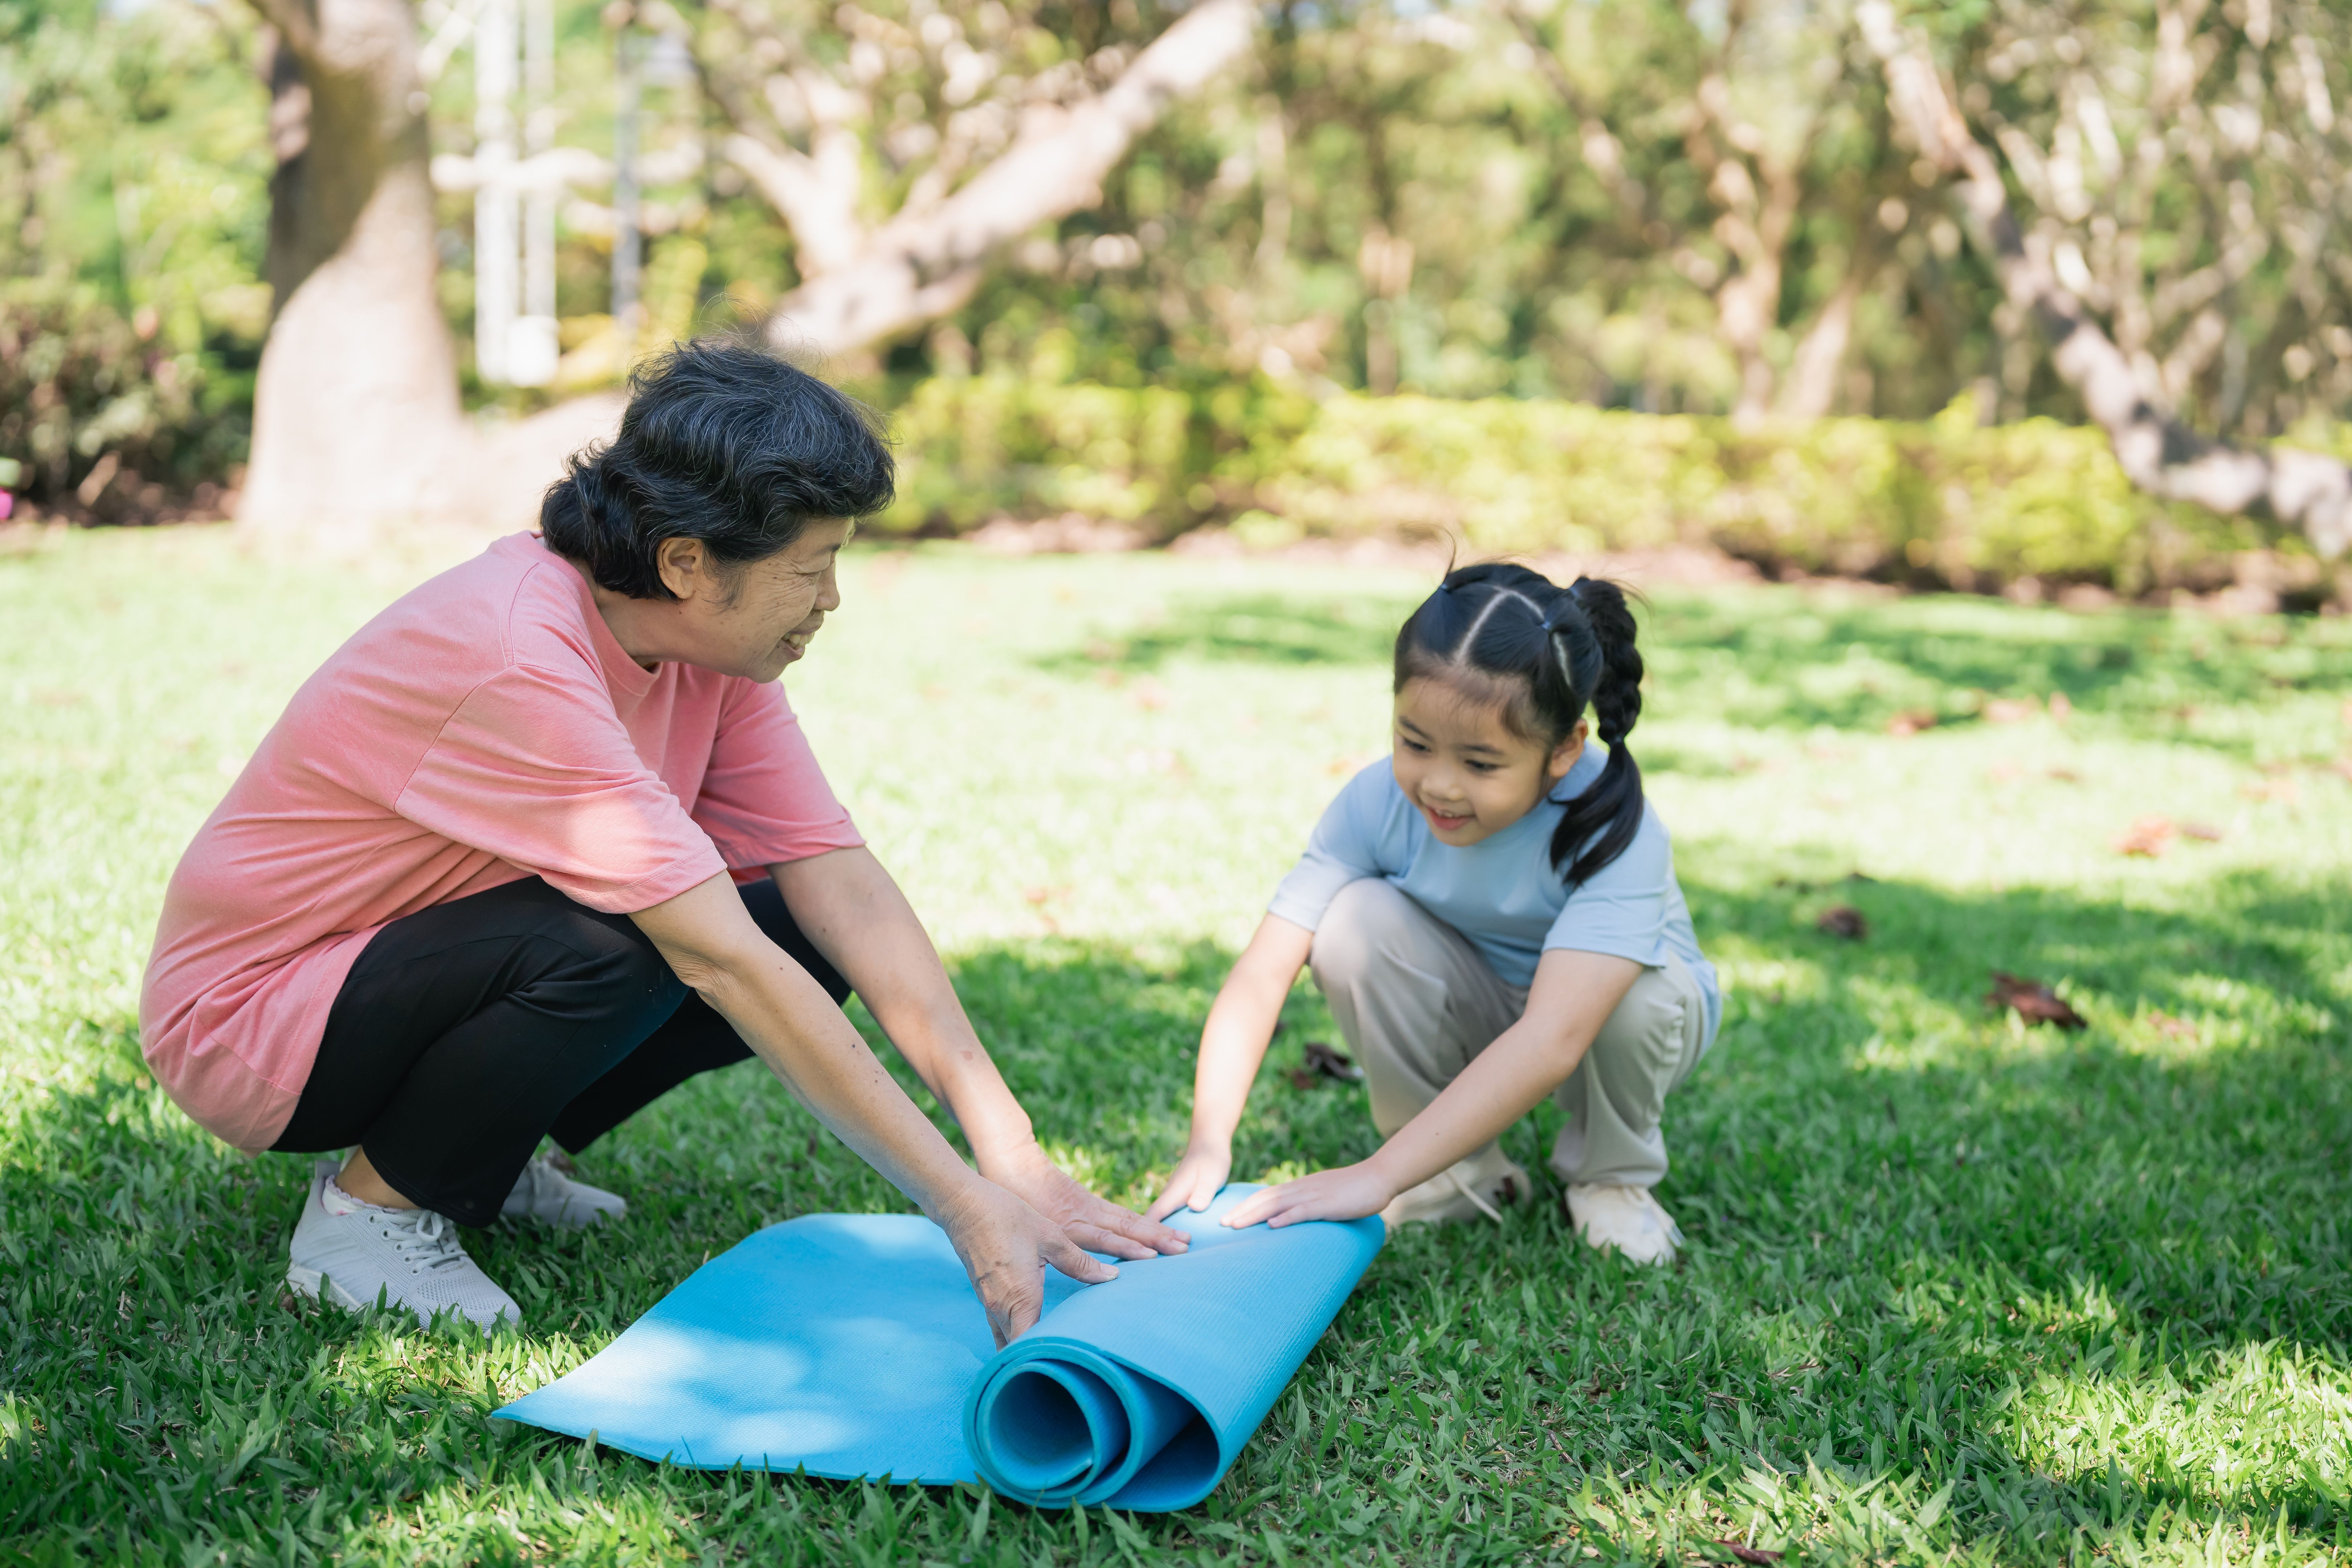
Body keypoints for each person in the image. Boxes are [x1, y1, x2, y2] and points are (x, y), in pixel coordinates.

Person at [141, 339, 1183, 1338]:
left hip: (405, 973)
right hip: (253, 1024)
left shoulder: (711, 653)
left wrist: (1013, 1154)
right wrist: (962, 1205)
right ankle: (368, 1216)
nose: (830, 600)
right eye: (810, 568)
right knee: (641, 939)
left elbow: (842, 884)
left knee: (797, 934)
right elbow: (717, 957)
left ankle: (477, 1154)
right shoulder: (519, 653)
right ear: (686, 562)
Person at [1147, 563, 1718, 1263]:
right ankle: (1457, 1175)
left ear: (1565, 749)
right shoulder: (1375, 803)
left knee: (1639, 992)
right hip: (1482, 1004)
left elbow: (1553, 1038)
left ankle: (1610, 1178)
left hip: (1606, 1024)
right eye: (1415, 744)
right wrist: (1208, 1140)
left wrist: (1377, 1175)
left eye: (1481, 764)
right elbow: (1263, 973)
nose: (1440, 785)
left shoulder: (1613, 828)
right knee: (1351, 921)